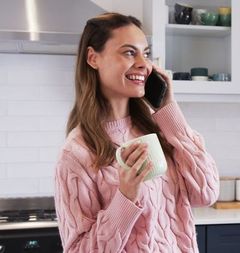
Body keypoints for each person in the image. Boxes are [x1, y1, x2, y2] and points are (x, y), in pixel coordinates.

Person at [54, 12, 219, 253]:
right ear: (93, 58)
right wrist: (126, 196)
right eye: (130, 52)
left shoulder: (162, 130)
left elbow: (207, 193)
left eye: (146, 53)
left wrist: (169, 111)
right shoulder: (76, 153)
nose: (144, 63)